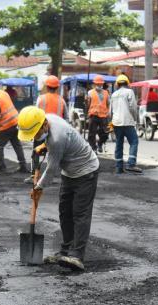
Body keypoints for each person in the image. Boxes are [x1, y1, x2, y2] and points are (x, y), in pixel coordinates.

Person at [18, 106, 99, 271]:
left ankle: (76, 256)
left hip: (86, 171)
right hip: (69, 171)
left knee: (80, 213)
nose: (36, 137)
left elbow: (51, 168)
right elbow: (56, 153)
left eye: (36, 133)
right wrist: (45, 146)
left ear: (44, 125)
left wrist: (38, 188)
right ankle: (64, 251)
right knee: (65, 212)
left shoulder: (56, 138)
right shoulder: (45, 120)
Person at [110, 74, 142, 174]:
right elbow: (133, 107)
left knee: (119, 143)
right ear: (127, 83)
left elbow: (110, 110)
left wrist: (111, 122)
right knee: (134, 141)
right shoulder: (129, 92)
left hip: (116, 122)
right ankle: (131, 164)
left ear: (117, 84)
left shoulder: (114, 94)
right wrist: (136, 119)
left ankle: (119, 167)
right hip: (127, 121)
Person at [86, 75, 110, 153]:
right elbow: (88, 104)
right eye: (97, 84)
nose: (99, 85)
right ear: (94, 84)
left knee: (105, 134)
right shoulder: (90, 93)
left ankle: (100, 143)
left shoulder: (106, 93)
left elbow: (108, 104)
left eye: (100, 84)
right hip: (93, 115)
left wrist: (108, 113)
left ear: (102, 84)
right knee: (91, 134)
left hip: (103, 116)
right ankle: (94, 147)